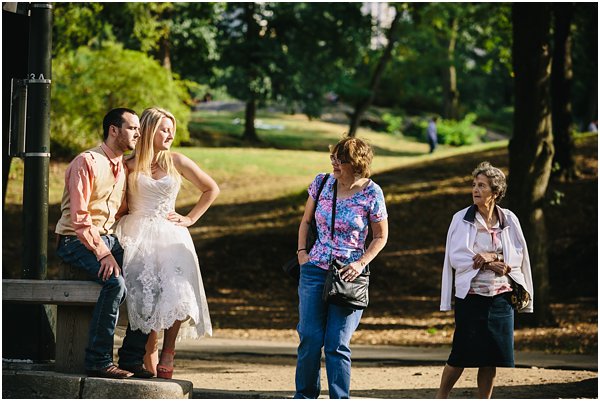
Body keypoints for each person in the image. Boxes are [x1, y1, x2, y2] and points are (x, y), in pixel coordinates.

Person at [115, 107, 219, 379]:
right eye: (164, 128)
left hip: (171, 233)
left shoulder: (176, 160)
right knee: (145, 294)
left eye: (171, 128)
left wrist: (191, 218)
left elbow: (211, 188)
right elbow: (118, 203)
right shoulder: (128, 164)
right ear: (149, 130)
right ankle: (147, 352)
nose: (170, 133)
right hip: (137, 231)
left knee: (178, 291)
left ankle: (168, 351)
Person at [55, 108, 153, 379]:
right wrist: (103, 253)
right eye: (133, 128)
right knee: (115, 282)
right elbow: (80, 218)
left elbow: (119, 212)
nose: (138, 133)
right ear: (114, 129)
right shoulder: (86, 162)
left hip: (110, 238)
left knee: (148, 279)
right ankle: (98, 360)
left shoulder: (122, 167)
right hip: (75, 240)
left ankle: (132, 358)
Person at [294, 136, 389, 399]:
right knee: (310, 339)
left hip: (349, 275)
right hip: (314, 268)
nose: (335, 163)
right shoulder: (322, 182)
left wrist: (360, 263)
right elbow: (305, 221)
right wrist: (303, 254)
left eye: (341, 159)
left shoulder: (372, 192)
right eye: (333, 158)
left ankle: (339, 397)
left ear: (357, 163)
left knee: (337, 343)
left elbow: (380, 236)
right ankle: (304, 396)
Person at [437, 161, 534, 398]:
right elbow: (457, 256)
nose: (475, 190)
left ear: (496, 192)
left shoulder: (509, 219)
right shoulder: (461, 219)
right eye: (474, 185)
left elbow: (518, 254)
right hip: (471, 297)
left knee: (491, 358)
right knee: (460, 355)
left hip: (501, 298)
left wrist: (493, 255)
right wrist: (491, 264)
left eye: (482, 185)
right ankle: (441, 397)